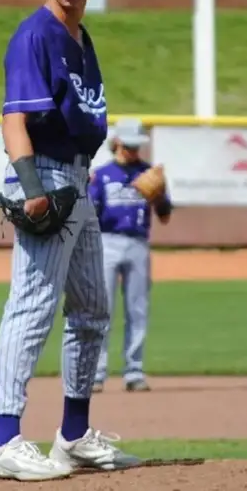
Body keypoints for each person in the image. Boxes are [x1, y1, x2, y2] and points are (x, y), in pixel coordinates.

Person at [0, 0, 141, 482]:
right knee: (32, 306)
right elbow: (14, 119)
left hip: (78, 180)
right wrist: (31, 187)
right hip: (44, 175)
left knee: (92, 308)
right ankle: (2, 440)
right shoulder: (35, 35)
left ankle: (73, 435)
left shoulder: (81, 40)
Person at [88, 118, 173, 394]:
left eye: (138, 146)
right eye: (130, 146)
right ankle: (96, 373)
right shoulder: (101, 175)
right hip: (106, 242)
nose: (135, 151)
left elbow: (165, 217)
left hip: (138, 243)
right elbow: (89, 216)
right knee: (102, 310)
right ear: (117, 143)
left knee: (138, 309)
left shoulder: (149, 173)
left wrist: (159, 196)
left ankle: (134, 371)